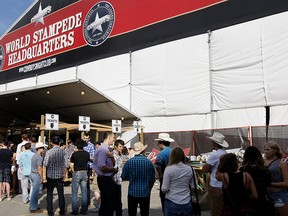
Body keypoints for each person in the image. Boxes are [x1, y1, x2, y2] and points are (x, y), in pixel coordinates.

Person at [121, 142, 155, 216]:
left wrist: (130, 177)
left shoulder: (129, 162)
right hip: (145, 192)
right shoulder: (148, 162)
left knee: (132, 213)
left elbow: (123, 176)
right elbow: (152, 179)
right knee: (145, 213)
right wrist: (149, 188)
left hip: (132, 192)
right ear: (143, 151)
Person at [202, 132, 229, 216]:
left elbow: (204, 169)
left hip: (215, 185)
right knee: (222, 209)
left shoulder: (215, 154)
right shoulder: (225, 153)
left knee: (215, 210)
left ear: (214, 143)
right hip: (224, 184)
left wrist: (210, 170)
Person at [240, 146, 272, 216]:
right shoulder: (265, 169)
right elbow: (268, 184)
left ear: (245, 156)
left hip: (247, 202)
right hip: (262, 200)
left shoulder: (243, 170)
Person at [161, 147, 193, 216]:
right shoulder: (190, 169)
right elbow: (193, 186)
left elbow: (164, 189)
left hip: (172, 201)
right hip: (186, 201)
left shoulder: (169, 169)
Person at [93, 131, 118, 216]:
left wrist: (111, 157)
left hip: (106, 178)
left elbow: (109, 164)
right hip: (105, 178)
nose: (114, 140)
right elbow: (102, 167)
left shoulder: (105, 149)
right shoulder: (103, 150)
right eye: (113, 138)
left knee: (106, 204)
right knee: (108, 204)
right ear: (109, 137)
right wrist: (113, 170)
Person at [43, 136, 69, 216]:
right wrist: (64, 174)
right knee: (61, 193)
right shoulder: (63, 152)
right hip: (59, 175)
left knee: (49, 194)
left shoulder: (49, 152)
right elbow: (66, 165)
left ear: (52, 143)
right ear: (59, 143)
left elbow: (45, 164)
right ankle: (62, 210)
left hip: (50, 175)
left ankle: (50, 211)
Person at [264, 141, 288, 216]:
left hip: (279, 195)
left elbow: (286, 183)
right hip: (265, 195)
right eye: (264, 150)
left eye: (268, 150)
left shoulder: (282, 163)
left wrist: (269, 184)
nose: (265, 152)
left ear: (275, 150)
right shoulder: (261, 162)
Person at [154, 133, 174, 212]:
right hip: (174, 179)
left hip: (165, 178)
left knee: (164, 200)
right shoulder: (173, 151)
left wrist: (160, 176)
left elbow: (157, 166)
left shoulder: (161, 154)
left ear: (161, 143)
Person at [70, 139, 90, 215]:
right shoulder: (87, 154)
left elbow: (71, 161)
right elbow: (88, 160)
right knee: (84, 192)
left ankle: (75, 210)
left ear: (77, 146)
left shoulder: (74, 154)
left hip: (77, 172)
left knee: (74, 192)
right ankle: (84, 210)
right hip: (85, 172)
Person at [29, 142, 47, 213]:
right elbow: (40, 168)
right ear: (40, 149)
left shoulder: (34, 156)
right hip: (36, 174)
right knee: (35, 192)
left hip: (32, 173)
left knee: (34, 191)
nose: (44, 149)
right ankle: (33, 207)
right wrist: (41, 177)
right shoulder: (39, 157)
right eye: (43, 148)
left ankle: (34, 206)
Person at [83, 132, 96, 207]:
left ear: (89, 138)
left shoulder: (91, 146)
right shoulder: (82, 145)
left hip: (88, 166)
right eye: (84, 138)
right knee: (83, 184)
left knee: (86, 184)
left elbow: (93, 157)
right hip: (82, 166)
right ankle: (85, 201)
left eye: (86, 138)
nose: (85, 139)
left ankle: (87, 202)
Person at [113, 139, 125, 216]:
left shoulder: (121, 156)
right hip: (113, 181)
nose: (121, 148)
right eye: (120, 146)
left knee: (118, 201)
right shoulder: (112, 155)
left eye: (122, 146)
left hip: (119, 181)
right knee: (113, 201)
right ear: (115, 147)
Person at [91, 141, 101, 213]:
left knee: (96, 189)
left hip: (99, 173)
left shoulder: (98, 152)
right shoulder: (107, 151)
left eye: (96, 145)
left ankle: (99, 206)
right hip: (106, 174)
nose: (95, 146)